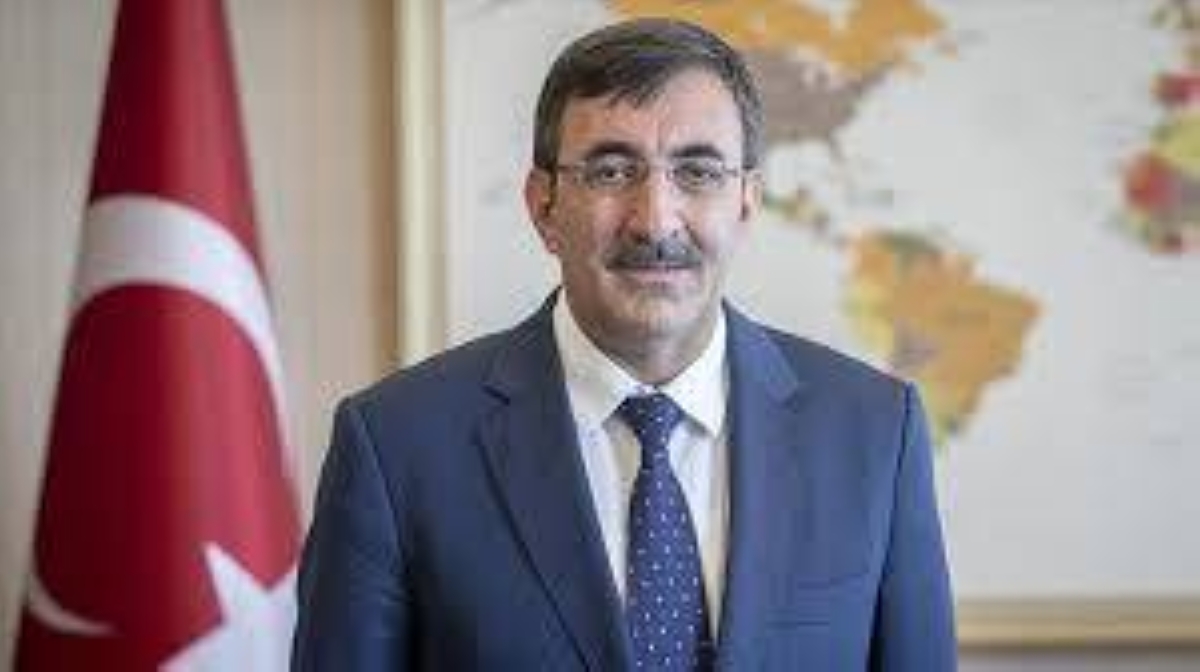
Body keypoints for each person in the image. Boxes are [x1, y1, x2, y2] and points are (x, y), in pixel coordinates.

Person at [292, 17, 955, 671]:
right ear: (544, 206)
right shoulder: (395, 446)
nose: (656, 221)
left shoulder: (875, 432)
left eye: (698, 172)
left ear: (747, 202)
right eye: (611, 171)